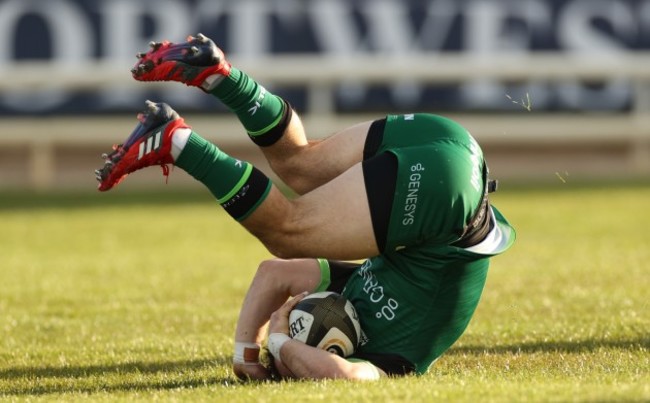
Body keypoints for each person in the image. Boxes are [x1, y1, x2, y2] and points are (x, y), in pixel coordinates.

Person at [95, 33, 516, 380]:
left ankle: (219, 75)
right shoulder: (394, 363)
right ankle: (177, 142)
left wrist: (246, 356)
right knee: (287, 231)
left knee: (300, 164)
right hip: (444, 196)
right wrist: (279, 344)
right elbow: (346, 378)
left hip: (452, 144)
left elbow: (273, 276)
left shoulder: (352, 287)